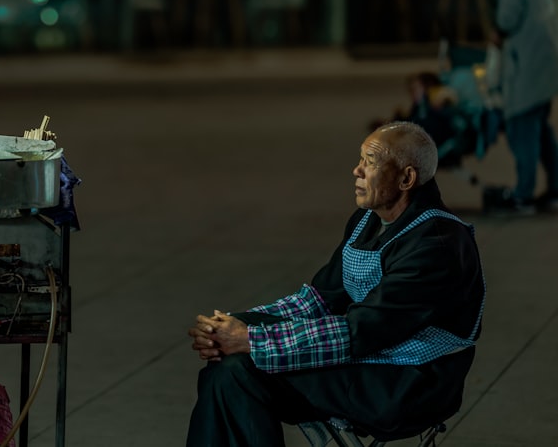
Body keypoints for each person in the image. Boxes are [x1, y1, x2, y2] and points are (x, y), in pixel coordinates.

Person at [185, 121, 485, 446]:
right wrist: (233, 325)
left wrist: (252, 340)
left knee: (238, 370)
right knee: (226, 366)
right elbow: (318, 301)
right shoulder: (368, 220)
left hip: (408, 382)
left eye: (370, 162)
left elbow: (361, 331)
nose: (356, 170)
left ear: (406, 178)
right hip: (367, 359)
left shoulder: (436, 244)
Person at [483, 0, 558, 214]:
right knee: (539, 130)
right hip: (545, 64)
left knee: (521, 130)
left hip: (526, 67)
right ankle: (555, 189)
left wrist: (497, 34)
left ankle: (523, 195)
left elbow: (507, 19)